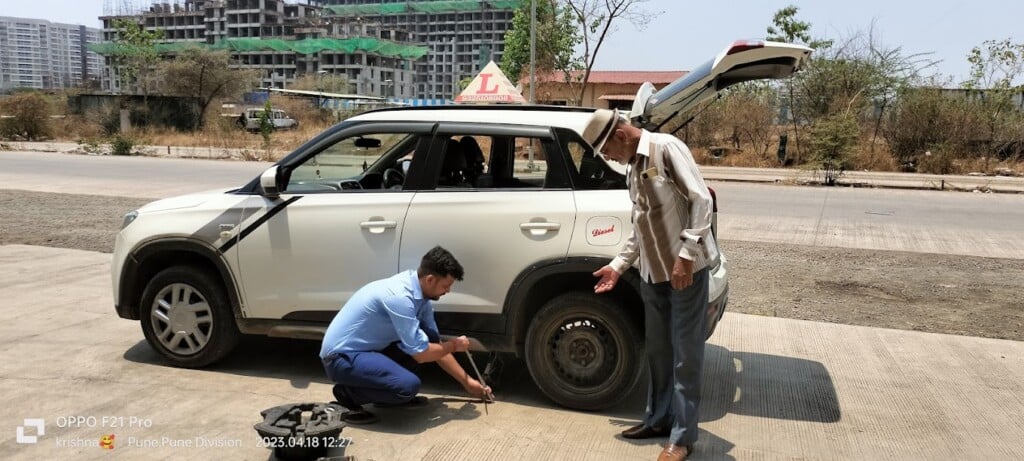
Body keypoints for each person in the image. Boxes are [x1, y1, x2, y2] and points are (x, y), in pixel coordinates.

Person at [586, 109, 720, 461]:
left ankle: (682, 437)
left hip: (684, 272)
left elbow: (701, 200)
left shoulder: (666, 148)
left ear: (620, 135)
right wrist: (619, 265)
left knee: (686, 356)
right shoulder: (633, 167)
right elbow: (641, 222)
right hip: (653, 273)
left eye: (606, 151)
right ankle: (659, 420)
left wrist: (687, 255)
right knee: (659, 353)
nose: (608, 158)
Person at [320, 246, 493, 424]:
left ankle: (387, 396)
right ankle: (347, 395)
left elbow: (436, 346)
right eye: (446, 286)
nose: (447, 290)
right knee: (408, 386)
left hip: (369, 351)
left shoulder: (422, 298)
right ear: (430, 279)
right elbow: (422, 354)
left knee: (427, 342)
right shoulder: (400, 297)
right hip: (341, 358)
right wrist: (454, 345)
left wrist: (469, 383)